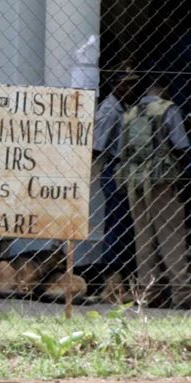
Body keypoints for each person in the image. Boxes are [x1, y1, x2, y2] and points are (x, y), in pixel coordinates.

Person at [117, 77, 191, 308]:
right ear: (164, 92)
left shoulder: (130, 113)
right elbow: (181, 145)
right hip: (162, 181)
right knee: (171, 235)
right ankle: (182, 293)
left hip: (135, 182)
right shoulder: (168, 110)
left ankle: (148, 292)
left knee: (143, 237)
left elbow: (122, 149)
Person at [93, 66, 139, 283]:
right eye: (127, 83)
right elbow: (97, 145)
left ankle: (122, 271)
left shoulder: (125, 106)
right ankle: (111, 273)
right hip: (114, 169)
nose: (132, 87)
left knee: (125, 221)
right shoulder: (110, 110)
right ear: (115, 84)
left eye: (133, 82)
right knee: (116, 221)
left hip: (125, 168)